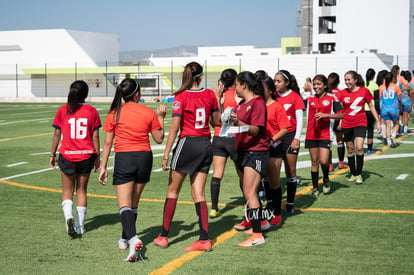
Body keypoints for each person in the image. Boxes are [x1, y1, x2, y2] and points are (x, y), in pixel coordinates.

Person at [153, 62, 220, 252]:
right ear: (201, 75)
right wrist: (218, 98)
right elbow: (216, 122)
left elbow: (175, 128)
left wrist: (166, 154)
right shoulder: (209, 95)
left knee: (173, 190)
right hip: (206, 145)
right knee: (198, 192)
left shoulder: (180, 97)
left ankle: (164, 236)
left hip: (187, 144)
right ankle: (204, 239)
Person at [98, 78, 166, 262]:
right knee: (132, 204)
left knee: (124, 205)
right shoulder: (147, 111)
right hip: (144, 158)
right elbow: (159, 138)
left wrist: (103, 166)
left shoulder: (115, 113)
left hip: (125, 158)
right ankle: (123, 239)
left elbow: (107, 143)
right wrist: (161, 118)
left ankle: (133, 238)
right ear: (137, 94)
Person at [50, 80, 101, 237]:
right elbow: (96, 135)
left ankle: (68, 217)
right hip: (86, 155)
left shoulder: (63, 110)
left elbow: (57, 134)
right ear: (86, 94)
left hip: (67, 155)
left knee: (67, 190)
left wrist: (52, 154)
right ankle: (80, 225)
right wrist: (97, 156)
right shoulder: (92, 111)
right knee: (81, 191)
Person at [230, 71, 269, 247]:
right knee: (248, 192)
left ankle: (257, 236)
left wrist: (238, 122)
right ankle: (259, 224)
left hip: (256, 152)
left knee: (250, 192)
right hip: (244, 151)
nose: (235, 88)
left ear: (244, 84)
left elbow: (255, 130)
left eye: (236, 85)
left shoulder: (258, 102)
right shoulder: (242, 104)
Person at [337, 71, 381, 184]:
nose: (347, 82)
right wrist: (340, 122)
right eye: (345, 80)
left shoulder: (364, 91)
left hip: (360, 122)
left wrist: (378, 121)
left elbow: (371, 106)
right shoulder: (342, 93)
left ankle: (359, 174)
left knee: (360, 147)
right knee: (350, 150)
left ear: (355, 80)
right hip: (347, 124)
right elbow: (341, 110)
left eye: (349, 80)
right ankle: (353, 173)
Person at [209, 68, 242, 218]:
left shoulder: (217, 96)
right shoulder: (238, 95)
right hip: (234, 137)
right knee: (242, 173)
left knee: (217, 174)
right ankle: (251, 201)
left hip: (218, 137)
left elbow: (213, 121)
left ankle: (214, 208)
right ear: (235, 80)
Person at [272, 70, 305, 215]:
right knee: (274, 172)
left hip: (290, 136)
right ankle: (274, 204)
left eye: (279, 81)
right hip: (276, 137)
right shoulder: (273, 96)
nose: (276, 84)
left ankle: (290, 203)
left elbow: (300, 120)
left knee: (291, 171)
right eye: (275, 81)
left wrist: (296, 138)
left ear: (287, 82)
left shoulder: (295, 97)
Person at [305, 75, 343, 198]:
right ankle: (315, 188)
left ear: (325, 85)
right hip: (311, 134)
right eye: (314, 84)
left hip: (325, 134)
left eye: (319, 84)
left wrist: (326, 115)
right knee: (314, 162)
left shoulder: (332, 98)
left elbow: (342, 114)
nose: (316, 87)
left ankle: (326, 178)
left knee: (324, 161)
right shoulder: (309, 98)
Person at [260, 73, 290, 226]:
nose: (259, 90)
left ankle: (277, 215)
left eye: (262, 88)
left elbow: (285, 128)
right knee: (263, 182)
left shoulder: (276, 106)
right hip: (260, 149)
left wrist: (272, 140)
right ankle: (267, 211)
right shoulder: (257, 105)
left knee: (274, 183)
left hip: (274, 149)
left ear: (270, 90)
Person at [328, 72, 348, 170]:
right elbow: (341, 108)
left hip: (328, 120)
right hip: (337, 119)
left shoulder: (326, 92)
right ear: (338, 82)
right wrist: (341, 122)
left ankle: (330, 165)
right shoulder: (340, 92)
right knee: (340, 140)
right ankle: (341, 163)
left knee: (329, 142)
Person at [378, 72, 402, 147]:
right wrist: (400, 107)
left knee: (388, 126)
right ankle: (393, 136)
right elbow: (399, 99)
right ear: (392, 78)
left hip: (384, 109)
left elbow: (380, 99)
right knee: (396, 124)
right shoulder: (395, 87)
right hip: (394, 109)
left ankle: (388, 142)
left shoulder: (381, 87)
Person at [364, 68, 379, 154]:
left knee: (361, 130)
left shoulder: (362, 84)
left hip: (362, 110)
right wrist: (378, 112)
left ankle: (359, 147)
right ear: (373, 76)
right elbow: (376, 100)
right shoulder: (374, 85)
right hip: (371, 110)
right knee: (370, 129)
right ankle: (369, 149)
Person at [400, 71, 413, 135]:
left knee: (401, 115)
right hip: (408, 100)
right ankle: (405, 129)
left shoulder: (401, 84)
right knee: (407, 116)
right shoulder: (410, 84)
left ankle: (401, 126)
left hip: (401, 100)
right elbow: (412, 93)